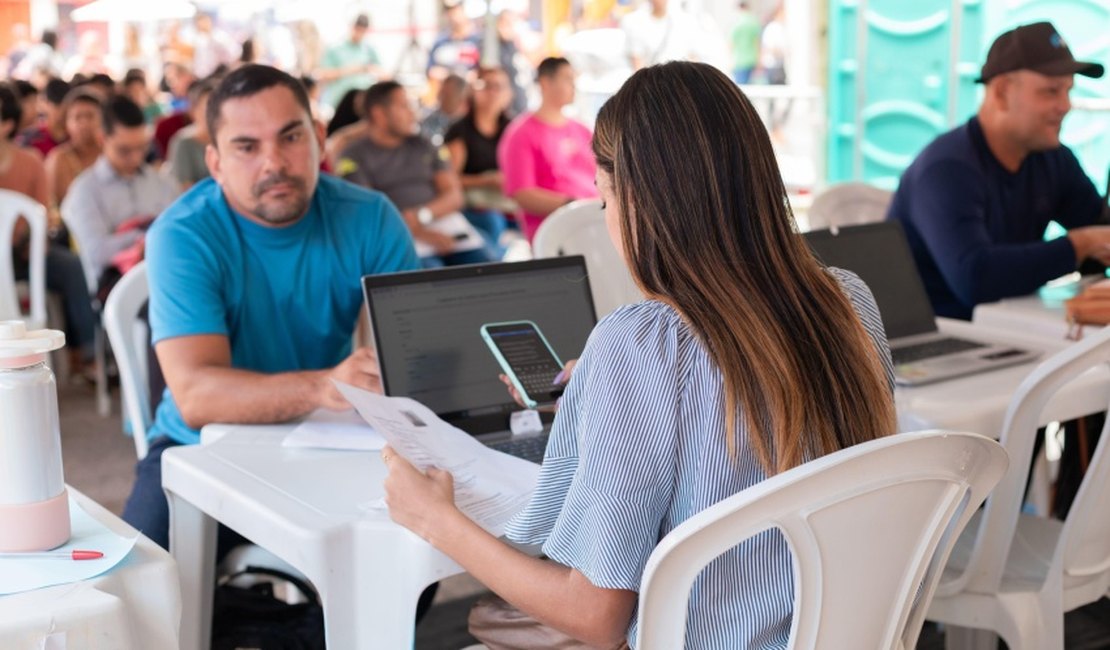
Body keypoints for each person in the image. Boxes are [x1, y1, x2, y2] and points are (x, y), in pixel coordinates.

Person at [381, 61, 896, 649]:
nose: (609, 222)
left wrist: (437, 521)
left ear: (637, 203)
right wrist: (604, 399)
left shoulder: (642, 344)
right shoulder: (848, 300)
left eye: (604, 203)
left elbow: (593, 616)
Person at [120, 64, 420, 550]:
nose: (273, 163)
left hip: (330, 437)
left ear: (319, 138)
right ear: (215, 162)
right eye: (246, 147)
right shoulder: (183, 235)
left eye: (291, 137)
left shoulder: (370, 217)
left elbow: (413, 355)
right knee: (141, 580)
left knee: (410, 552)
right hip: (198, 445)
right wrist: (325, 386)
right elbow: (196, 396)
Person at [887, 21, 1110, 321]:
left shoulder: (1052, 159)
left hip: (1007, 326)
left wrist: (1092, 242)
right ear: (1002, 92)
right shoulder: (946, 168)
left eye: (1069, 91)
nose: (1065, 105)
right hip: (940, 334)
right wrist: (1080, 245)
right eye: (1051, 91)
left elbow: (1100, 228)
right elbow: (976, 278)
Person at [338, 80, 496, 267]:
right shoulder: (354, 156)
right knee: (430, 276)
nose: (412, 113)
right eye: (404, 106)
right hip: (395, 237)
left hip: (444, 226)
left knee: (489, 266)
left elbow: (454, 195)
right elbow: (366, 212)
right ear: (379, 114)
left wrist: (421, 216)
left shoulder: (424, 144)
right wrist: (419, 232)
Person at [0, 83, 98, 378]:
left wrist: (34, 242)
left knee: (72, 266)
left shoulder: (31, 162)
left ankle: (90, 354)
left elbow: (43, 216)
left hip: (24, 253)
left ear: (7, 123)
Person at [62, 96, 178, 295]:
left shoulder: (162, 182)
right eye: (124, 150)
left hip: (166, 279)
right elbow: (96, 251)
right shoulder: (85, 190)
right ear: (102, 139)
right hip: (116, 291)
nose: (136, 157)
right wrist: (145, 239)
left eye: (142, 147)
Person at [497, 57, 597, 241]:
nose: (573, 86)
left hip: (594, 221)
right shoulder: (520, 134)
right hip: (555, 232)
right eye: (567, 79)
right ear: (545, 83)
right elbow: (522, 194)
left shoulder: (582, 130)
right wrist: (574, 205)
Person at [444, 67, 514, 253]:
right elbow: (449, 179)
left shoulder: (512, 129)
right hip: (474, 205)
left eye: (499, 87)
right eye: (487, 86)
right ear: (473, 90)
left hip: (508, 202)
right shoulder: (460, 131)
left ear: (508, 93)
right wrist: (486, 180)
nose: (493, 93)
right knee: (492, 223)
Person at [44, 89, 103, 209]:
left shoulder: (111, 155)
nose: (84, 123)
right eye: (77, 117)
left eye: (90, 116)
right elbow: (51, 205)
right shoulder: (58, 159)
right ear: (66, 123)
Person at [318, 13, 383, 111]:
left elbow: (382, 72)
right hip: (339, 102)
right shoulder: (334, 48)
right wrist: (348, 70)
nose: (359, 34)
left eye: (363, 31)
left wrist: (369, 69)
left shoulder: (369, 49)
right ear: (351, 27)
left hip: (363, 101)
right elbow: (323, 75)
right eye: (357, 29)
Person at [620, 0, 704, 71]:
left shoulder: (686, 21)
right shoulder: (635, 22)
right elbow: (637, 60)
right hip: (652, 78)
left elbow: (693, 56)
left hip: (680, 76)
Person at [167, 79, 216, 190]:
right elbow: (184, 188)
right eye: (207, 109)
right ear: (194, 111)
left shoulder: (225, 139)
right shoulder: (183, 142)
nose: (213, 114)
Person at [427, 0, 481, 82]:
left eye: (456, 10)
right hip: (445, 85)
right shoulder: (440, 42)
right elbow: (431, 70)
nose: (453, 16)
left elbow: (483, 71)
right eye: (449, 11)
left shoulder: (478, 40)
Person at [18, 77, 68, 157]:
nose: (62, 111)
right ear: (45, 103)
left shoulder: (76, 138)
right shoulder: (31, 139)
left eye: (66, 106)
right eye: (57, 105)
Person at [419, 73, 468, 146]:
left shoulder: (468, 126)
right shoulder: (430, 119)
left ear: (461, 98)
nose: (441, 97)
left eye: (448, 95)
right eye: (442, 92)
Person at [730, 1, 761, 84]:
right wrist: (759, 60)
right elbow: (757, 43)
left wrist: (730, 60)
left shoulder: (736, 23)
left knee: (741, 87)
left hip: (739, 61)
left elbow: (731, 43)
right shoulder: (754, 22)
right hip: (752, 60)